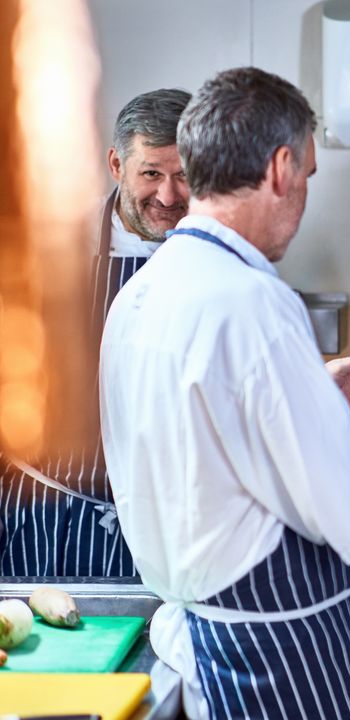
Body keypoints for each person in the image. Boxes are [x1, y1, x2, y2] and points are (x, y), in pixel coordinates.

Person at [99, 67, 350, 720]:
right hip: (282, 655)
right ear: (281, 167)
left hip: (205, 633)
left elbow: (199, 436)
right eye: (308, 176)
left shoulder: (144, 291)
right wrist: (320, 421)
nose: (303, 193)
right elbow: (341, 513)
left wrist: (309, 393)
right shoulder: (254, 300)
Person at [0, 87, 190, 577]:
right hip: (43, 515)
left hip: (162, 526)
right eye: (151, 173)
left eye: (184, 176)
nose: (168, 197)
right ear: (115, 164)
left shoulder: (218, 258)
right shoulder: (54, 249)